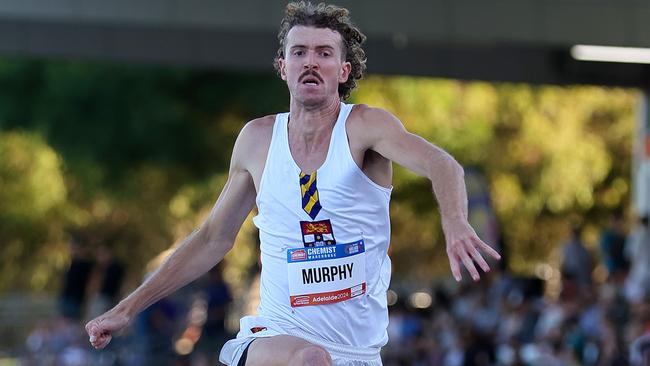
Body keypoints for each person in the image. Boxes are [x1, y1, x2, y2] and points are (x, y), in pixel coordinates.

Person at [85, 2, 501, 365]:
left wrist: (455, 222)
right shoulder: (257, 140)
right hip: (275, 340)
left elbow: (442, 164)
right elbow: (212, 238)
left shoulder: (364, 128)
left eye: (323, 53)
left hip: (358, 353)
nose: (310, 62)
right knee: (310, 359)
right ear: (283, 68)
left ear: (343, 70)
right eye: (299, 52)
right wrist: (127, 309)